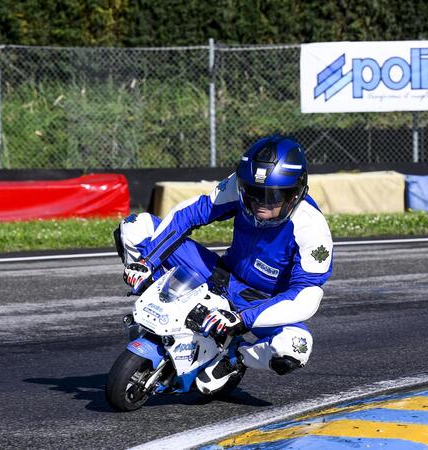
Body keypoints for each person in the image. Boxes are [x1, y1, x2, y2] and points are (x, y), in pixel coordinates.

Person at [114, 135, 333, 394]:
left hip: (258, 302)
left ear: (295, 192)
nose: (261, 202)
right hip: (221, 276)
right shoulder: (238, 185)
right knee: (135, 228)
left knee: (296, 346)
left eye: (274, 195)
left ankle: (233, 360)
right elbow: (192, 213)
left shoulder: (312, 228)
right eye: (254, 192)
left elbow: (307, 295)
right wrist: (147, 261)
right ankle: (155, 312)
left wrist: (242, 318)